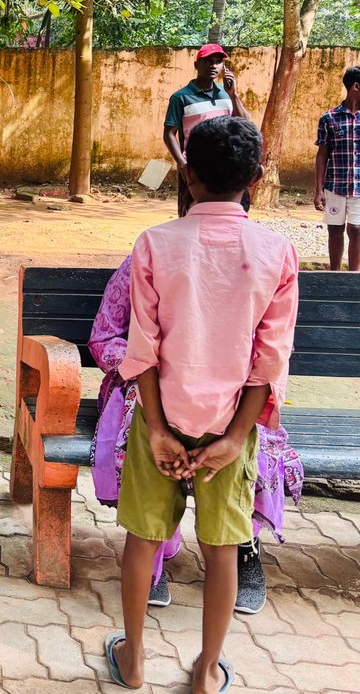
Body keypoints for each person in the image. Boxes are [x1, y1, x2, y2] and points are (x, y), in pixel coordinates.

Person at [107, 117, 298, 693]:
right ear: (257, 180)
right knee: (224, 549)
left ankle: (134, 660)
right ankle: (207, 670)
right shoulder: (276, 253)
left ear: (187, 175)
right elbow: (270, 361)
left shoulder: (154, 244)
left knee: (143, 540)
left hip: (161, 418)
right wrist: (236, 437)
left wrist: (160, 431)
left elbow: (142, 350)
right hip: (230, 425)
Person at [90, 255, 303, 615]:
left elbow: (273, 349)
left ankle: (244, 546)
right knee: (136, 436)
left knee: (258, 445)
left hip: (230, 393)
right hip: (147, 389)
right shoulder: (154, 254)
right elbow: (105, 336)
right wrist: (156, 370)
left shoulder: (260, 260)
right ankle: (151, 544)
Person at [163, 43, 251, 217]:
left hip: (225, 164)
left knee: (225, 213)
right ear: (197, 65)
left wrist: (234, 95)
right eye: (207, 61)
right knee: (191, 212)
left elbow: (244, 122)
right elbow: (169, 134)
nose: (213, 65)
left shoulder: (226, 94)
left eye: (218, 61)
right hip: (195, 166)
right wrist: (182, 165)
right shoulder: (181, 97)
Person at [314, 65, 360, 271]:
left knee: (357, 229)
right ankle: (334, 275)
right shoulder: (329, 118)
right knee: (335, 229)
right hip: (335, 186)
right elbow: (322, 154)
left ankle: (353, 277)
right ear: (356, 86)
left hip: (359, 188)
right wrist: (318, 190)